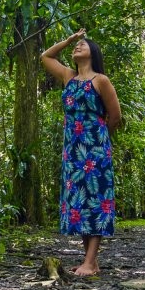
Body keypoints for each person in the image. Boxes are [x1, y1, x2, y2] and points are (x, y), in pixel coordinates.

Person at [40, 28, 122, 276]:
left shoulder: (101, 80)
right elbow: (45, 57)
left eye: (83, 45)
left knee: (96, 200)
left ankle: (89, 261)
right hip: (72, 151)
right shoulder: (68, 76)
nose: (78, 47)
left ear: (93, 53)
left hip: (95, 149)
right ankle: (91, 262)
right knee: (79, 201)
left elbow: (115, 116)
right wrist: (69, 40)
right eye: (77, 46)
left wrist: (99, 141)